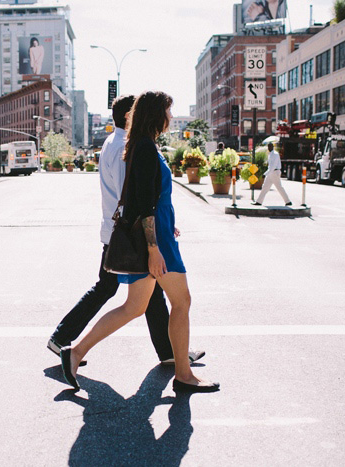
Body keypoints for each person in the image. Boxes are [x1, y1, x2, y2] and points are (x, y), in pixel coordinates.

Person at [60, 91, 218, 393]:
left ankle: (75, 353)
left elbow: (147, 200)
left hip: (157, 235)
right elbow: (145, 205)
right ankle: (183, 375)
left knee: (134, 307)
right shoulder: (145, 149)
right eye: (167, 112)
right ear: (155, 115)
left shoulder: (141, 146)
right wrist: (154, 248)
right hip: (156, 242)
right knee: (182, 302)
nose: (171, 117)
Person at [251, 142, 292, 206]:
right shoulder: (270, 154)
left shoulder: (275, 154)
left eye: (270, 146)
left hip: (274, 173)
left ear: (273, 147)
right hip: (271, 173)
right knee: (265, 187)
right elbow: (270, 166)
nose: (269, 148)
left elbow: (273, 166)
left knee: (279, 187)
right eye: (268, 146)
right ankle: (259, 201)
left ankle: (288, 201)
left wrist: (265, 174)